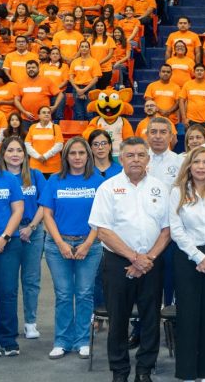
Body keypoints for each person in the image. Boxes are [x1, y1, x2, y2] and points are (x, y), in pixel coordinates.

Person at [88, 137, 171, 382]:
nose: (136, 159)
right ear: (121, 159)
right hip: (117, 262)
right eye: (130, 155)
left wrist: (148, 258)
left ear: (148, 159)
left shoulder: (160, 188)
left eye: (140, 155)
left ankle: (144, 369)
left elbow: (167, 229)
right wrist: (134, 258)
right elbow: (102, 230)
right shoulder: (108, 188)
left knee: (150, 318)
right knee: (118, 319)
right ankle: (120, 372)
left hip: (152, 262)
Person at [39, 136, 104, 359]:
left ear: (88, 155)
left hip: (90, 245)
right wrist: (60, 243)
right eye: (72, 153)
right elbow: (47, 214)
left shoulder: (98, 181)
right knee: (64, 294)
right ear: (65, 156)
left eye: (81, 153)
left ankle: (83, 339)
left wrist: (87, 244)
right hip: (58, 245)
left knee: (85, 293)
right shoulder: (55, 180)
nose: (77, 157)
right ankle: (62, 340)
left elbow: (102, 218)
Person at [0, 137, 46, 343]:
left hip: (32, 233)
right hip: (7, 235)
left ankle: (30, 323)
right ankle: (7, 325)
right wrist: (13, 231)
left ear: (25, 154)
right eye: (10, 150)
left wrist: (31, 227)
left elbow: (44, 205)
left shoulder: (35, 176)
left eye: (19, 150)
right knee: (8, 284)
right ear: (4, 154)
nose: (15, 154)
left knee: (31, 280)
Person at [0, 136, 24, 358]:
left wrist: (4, 237)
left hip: (9, 243)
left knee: (8, 292)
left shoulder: (9, 179)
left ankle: (8, 339)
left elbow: (18, 210)